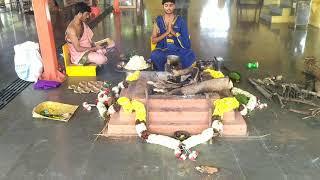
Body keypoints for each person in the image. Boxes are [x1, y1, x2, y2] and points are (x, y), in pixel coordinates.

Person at [150, 0, 196, 71]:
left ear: (174, 6)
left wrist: (174, 32)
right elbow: (153, 40)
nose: (168, 8)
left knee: (190, 55)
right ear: (163, 6)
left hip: (178, 50)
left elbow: (187, 45)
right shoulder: (158, 21)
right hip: (163, 50)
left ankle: (177, 73)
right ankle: (163, 74)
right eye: (166, 5)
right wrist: (166, 33)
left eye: (171, 5)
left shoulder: (181, 21)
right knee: (155, 55)